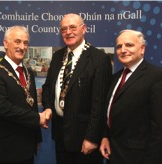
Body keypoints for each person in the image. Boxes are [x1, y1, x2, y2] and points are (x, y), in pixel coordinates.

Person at [42, 13, 112, 164]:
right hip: (61, 135)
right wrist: (47, 107)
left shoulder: (99, 59)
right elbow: (48, 88)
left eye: (73, 27)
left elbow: (99, 104)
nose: (68, 32)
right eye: (64, 29)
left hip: (85, 139)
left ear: (84, 29)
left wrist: (92, 138)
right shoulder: (57, 56)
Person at [0, 26, 47, 164]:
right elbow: (3, 108)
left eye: (25, 43)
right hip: (4, 151)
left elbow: (32, 105)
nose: (22, 47)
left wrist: (37, 137)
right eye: (17, 42)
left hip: (27, 148)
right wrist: (37, 118)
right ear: (6, 43)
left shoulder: (28, 72)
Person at [99, 29, 162, 164]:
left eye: (129, 45)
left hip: (139, 157)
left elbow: (159, 127)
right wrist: (105, 136)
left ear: (142, 49)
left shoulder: (157, 76)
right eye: (119, 46)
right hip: (114, 153)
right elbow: (111, 111)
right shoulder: (115, 78)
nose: (123, 50)